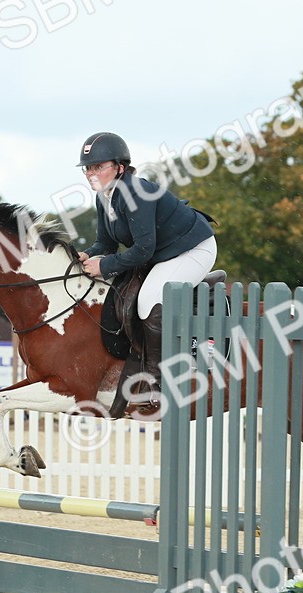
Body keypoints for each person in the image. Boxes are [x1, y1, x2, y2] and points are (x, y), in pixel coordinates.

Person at [76, 132, 217, 413]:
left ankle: (157, 380)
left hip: (192, 249)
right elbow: (105, 242)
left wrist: (104, 266)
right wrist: (86, 255)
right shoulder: (105, 196)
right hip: (163, 253)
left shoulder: (135, 193)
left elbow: (143, 249)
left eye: (98, 166)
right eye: (88, 168)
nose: (92, 173)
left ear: (119, 167)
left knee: (148, 298)